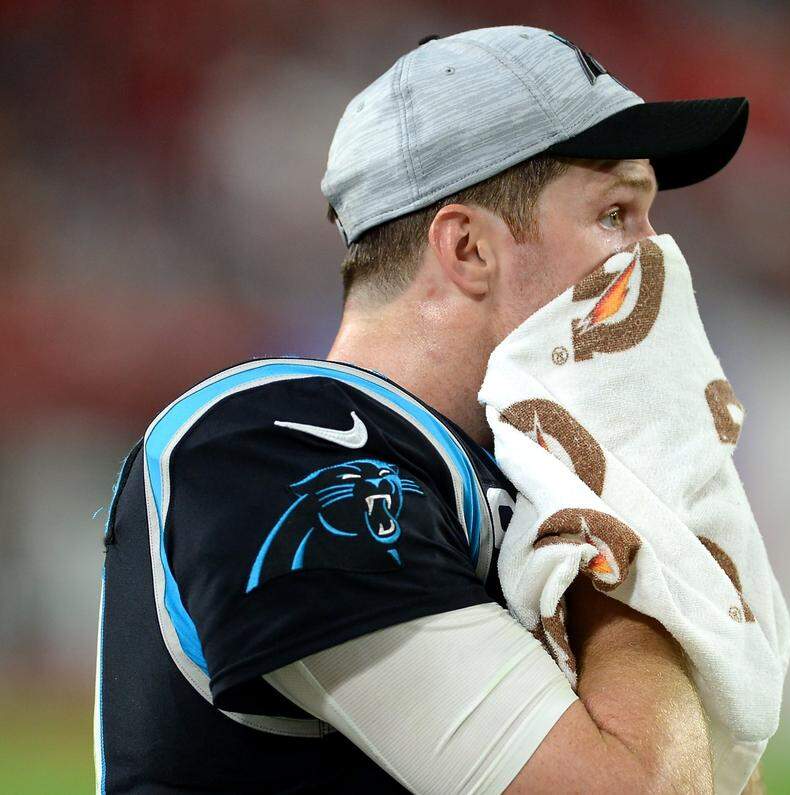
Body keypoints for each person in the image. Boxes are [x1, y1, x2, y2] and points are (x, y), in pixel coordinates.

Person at [95, 25, 755, 793]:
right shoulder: (272, 445)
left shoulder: (528, 475)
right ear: (468, 249)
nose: (655, 258)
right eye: (615, 214)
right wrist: (625, 523)